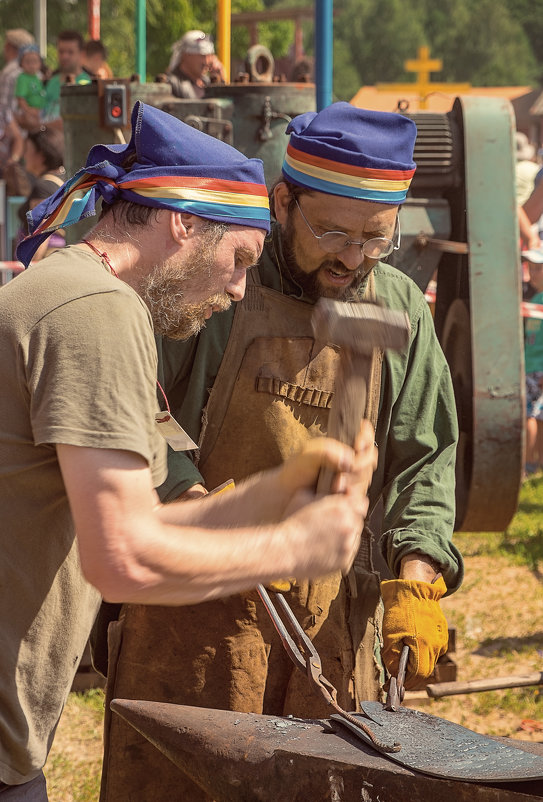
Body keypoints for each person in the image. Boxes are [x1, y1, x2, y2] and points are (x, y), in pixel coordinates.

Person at [0, 100, 377, 800]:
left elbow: (141, 523)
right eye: (237, 260)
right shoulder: (96, 312)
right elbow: (124, 560)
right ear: (182, 223)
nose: (238, 291)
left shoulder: (83, 297)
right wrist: (294, 550)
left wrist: (276, 494)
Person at [99, 102, 464, 802]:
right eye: (330, 230)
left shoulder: (398, 306)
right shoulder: (219, 283)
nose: (350, 256)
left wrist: (415, 574)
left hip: (333, 621)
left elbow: (425, 453)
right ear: (282, 200)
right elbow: (137, 407)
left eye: (373, 238)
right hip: (199, 610)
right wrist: (187, 500)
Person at [16, 125, 66, 260]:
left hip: (46, 262)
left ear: (41, 155)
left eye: (27, 149)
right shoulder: (64, 179)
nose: (23, 155)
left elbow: (41, 235)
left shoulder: (43, 188)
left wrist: (31, 266)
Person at [522, 248, 543, 475]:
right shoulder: (536, 299)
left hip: (538, 370)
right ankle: (535, 464)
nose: (532, 274)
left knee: (529, 415)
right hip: (532, 369)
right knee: (535, 416)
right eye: (531, 268)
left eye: (538, 269)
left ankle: (528, 465)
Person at [42, 30, 91, 126]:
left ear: (82, 54)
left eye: (70, 52)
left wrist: (41, 127)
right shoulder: (52, 81)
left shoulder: (87, 84)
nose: (64, 56)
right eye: (61, 52)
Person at [162, 29, 225, 99]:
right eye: (202, 55)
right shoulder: (171, 84)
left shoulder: (206, 82)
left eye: (210, 56)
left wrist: (220, 80)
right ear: (186, 55)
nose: (207, 62)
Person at [0, 28, 35, 115]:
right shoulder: (37, 73)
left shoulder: (9, 73)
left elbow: (3, 109)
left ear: (8, 46)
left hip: (12, 126)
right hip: (36, 126)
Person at [14, 44, 46, 133]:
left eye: (35, 61)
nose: (31, 65)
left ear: (40, 63)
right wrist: (29, 111)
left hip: (39, 111)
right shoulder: (22, 78)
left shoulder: (37, 77)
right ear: (21, 63)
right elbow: (20, 99)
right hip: (28, 112)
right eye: (28, 62)